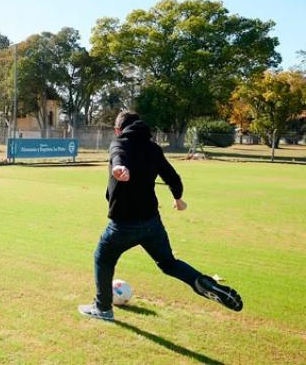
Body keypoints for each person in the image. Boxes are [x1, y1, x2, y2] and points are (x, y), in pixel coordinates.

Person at [78, 111, 242, 321]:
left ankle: (103, 308)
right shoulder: (153, 148)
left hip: (123, 225)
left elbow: (117, 153)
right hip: (151, 224)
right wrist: (178, 199)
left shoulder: (119, 143)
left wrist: (119, 167)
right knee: (168, 263)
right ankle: (202, 282)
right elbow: (173, 177)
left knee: (103, 259)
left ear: (118, 130)